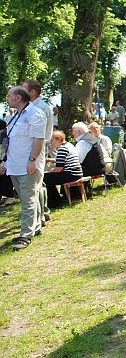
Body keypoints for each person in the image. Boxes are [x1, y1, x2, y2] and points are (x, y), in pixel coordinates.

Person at [0, 86, 46, 250]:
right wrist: (4, 162)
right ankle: (37, 225)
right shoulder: (16, 116)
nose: (7, 98)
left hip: (27, 165)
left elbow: (38, 139)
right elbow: (10, 141)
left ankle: (26, 235)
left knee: (28, 201)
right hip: (14, 165)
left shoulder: (34, 114)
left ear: (18, 98)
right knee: (28, 198)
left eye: (9, 96)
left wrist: (32, 160)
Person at [22, 79, 54, 222]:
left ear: (32, 92)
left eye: (24, 90)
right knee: (39, 183)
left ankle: (40, 215)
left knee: (36, 184)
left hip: (37, 149)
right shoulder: (34, 106)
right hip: (36, 148)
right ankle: (42, 213)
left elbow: (40, 134)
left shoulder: (39, 108)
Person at [43, 131, 83, 207]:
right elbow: (62, 160)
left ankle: (55, 201)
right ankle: (56, 200)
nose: (51, 143)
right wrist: (50, 160)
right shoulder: (69, 145)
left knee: (45, 178)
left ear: (58, 140)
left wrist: (48, 172)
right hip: (76, 173)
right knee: (48, 176)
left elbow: (59, 168)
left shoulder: (62, 149)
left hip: (70, 174)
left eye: (52, 140)